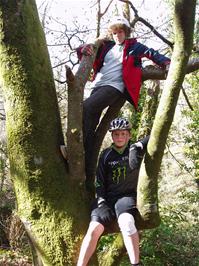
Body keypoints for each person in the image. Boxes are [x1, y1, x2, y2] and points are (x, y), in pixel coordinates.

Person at [74, 16, 170, 179]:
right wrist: (83, 49)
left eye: (120, 31)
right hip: (97, 86)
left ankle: (77, 153)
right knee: (89, 124)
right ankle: (84, 163)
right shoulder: (106, 46)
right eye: (115, 32)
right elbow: (84, 50)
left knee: (86, 107)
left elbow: (152, 53)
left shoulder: (134, 47)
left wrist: (167, 63)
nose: (117, 35)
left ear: (126, 32)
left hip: (114, 87)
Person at [77, 117, 149, 266]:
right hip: (107, 199)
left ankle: (136, 263)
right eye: (116, 134)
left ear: (129, 134)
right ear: (112, 136)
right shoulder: (106, 155)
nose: (120, 137)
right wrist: (101, 199)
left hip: (126, 197)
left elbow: (156, 135)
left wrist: (139, 145)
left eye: (123, 134)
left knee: (126, 221)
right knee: (93, 229)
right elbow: (99, 180)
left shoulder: (134, 150)